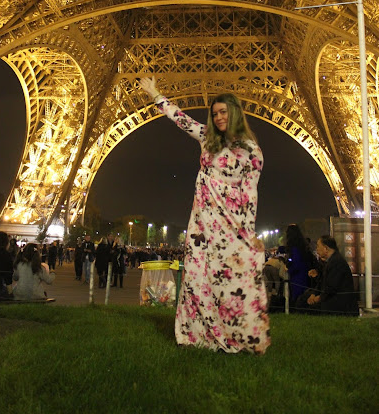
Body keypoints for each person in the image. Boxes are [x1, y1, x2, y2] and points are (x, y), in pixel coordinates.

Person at [139, 76, 270, 354]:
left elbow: (250, 194)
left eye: (223, 112)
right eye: (215, 113)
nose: (219, 117)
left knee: (228, 281)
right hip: (202, 224)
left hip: (230, 227)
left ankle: (232, 334)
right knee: (197, 276)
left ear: (235, 113)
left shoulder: (252, 151)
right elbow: (181, 119)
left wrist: (249, 232)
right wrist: (155, 94)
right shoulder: (208, 139)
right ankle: (198, 334)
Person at [296, 235, 358, 316]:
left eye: (318, 246)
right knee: (303, 299)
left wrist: (318, 298)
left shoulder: (336, 262)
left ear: (325, 248)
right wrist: (314, 294)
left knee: (305, 305)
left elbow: (331, 287)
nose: (316, 249)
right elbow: (323, 282)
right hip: (331, 298)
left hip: (339, 304)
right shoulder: (330, 261)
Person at [285, 224, 315, 303]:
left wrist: (289, 270)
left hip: (297, 277)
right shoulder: (302, 246)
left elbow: (296, 264)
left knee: (298, 298)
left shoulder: (294, 248)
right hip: (303, 274)